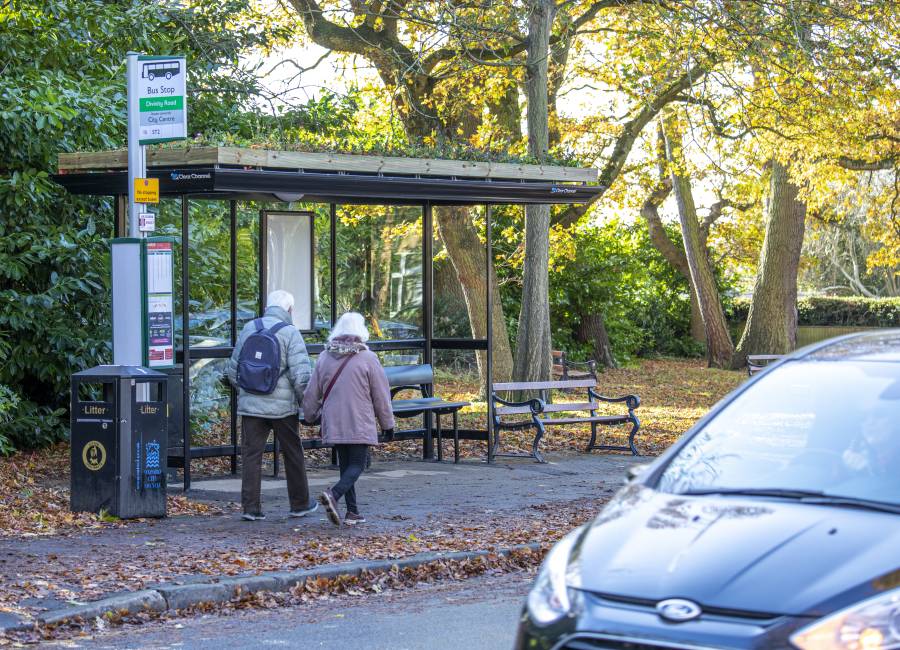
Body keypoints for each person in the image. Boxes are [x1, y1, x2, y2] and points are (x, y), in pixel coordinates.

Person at [225, 290, 317, 521]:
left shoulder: (249, 328)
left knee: (251, 456)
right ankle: (300, 504)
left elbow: (233, 370)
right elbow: (301, 376)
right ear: (289, 310)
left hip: (251, 406)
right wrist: (306, 404)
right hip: (282, 408)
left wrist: (248, 392)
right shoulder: (290, 333)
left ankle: (251, 508)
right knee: (293, 453)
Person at [302, 312, 394, 526]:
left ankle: (352, 512)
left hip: (333, 419)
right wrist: (388, 423)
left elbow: (311, 392)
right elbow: (381, 394)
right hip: (358, 419)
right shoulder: (368, 358)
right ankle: (333, 495)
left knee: (346, 465)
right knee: (358, 465)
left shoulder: (324, 357)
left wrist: (308, 415)